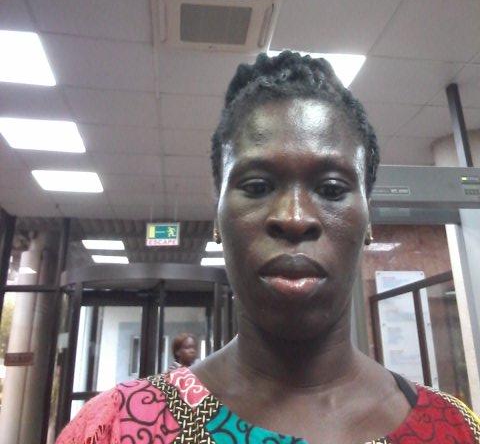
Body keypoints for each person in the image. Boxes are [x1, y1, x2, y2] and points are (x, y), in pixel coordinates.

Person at [56, 51, 480, 444]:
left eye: (332, 189)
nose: (294, 218)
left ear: (368, 221)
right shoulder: (117, 426)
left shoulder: (454, 429)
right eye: (257, 186)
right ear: (217, 217)